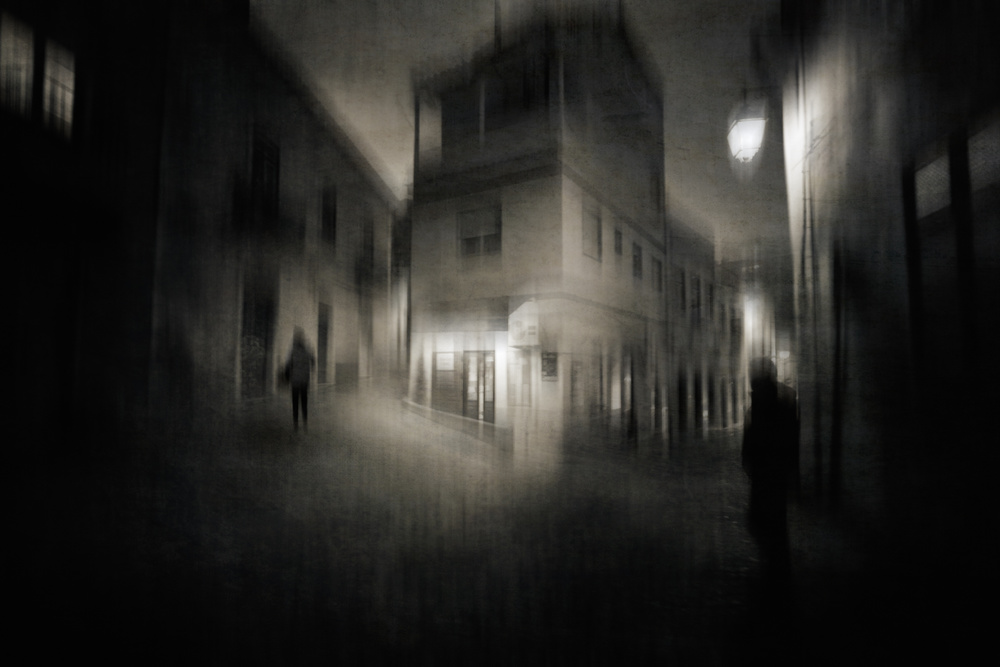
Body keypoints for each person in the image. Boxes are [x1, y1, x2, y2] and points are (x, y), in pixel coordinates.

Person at [742, 357, 799, 583]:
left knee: (762, 518)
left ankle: (774, 567)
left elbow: (752, 436)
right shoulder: (784, 401)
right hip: (775, 471)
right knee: (774, 520)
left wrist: (748, 460)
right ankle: (777, 565)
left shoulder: (761, 403)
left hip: (765, 470)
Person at [284, 327, 316, 431]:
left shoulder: (293, 350)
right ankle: (305, 423)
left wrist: (287, 377)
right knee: (304, 401)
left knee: (295, 402)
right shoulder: (307, 349)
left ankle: (296, 424)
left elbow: (288, 365)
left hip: (295, 381)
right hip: (304, 380)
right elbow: (313, 361)